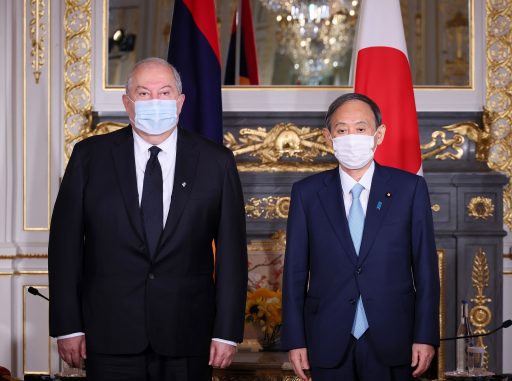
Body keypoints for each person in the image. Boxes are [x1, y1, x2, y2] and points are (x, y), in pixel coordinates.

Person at [48, 57, 248, 381]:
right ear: (128, 103)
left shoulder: (216, 162)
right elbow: (65, 248)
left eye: (165, 92)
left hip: (188, 336)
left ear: (180, 102)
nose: (155, 101)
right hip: (110, 336)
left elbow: (232, 256)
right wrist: (67, 326)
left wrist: (227, 332)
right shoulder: (89, 158)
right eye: (143, 93)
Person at [281, 93, 439, 381]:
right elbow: (294, 273)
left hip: (394, 338)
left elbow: (426, 270)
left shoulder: (409, 190)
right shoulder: (307, 193)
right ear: (328, 137)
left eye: (361, 128)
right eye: (342, 130)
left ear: (379, 134)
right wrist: (295, 339)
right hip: (327, 338)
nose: (351, 136)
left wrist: (425, 336)